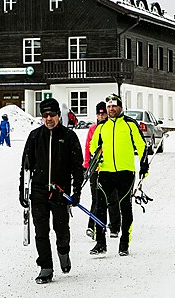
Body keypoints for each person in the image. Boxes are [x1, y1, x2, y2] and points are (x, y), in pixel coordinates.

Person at [19, 98, 84, 284]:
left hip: (60, 192)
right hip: (38, 191)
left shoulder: (69, 137)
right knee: (41, 231)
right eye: (45, 115)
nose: (49, 119)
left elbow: (77, 168)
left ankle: (63, 252)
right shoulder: (34, 136)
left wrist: (76, 192)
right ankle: (45, 267)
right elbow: (25, 167)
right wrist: (22, 192)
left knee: (61, 230)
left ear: (58, 115)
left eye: (52, 115)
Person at [89, 93, 147, 256]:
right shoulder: (102, 126)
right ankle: (100, 243)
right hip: (105, 171)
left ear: (120, 107)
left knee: (125, 207)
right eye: (108, 106)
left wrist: (144, 165)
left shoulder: (130, 124)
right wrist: (96, 155)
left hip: (125, 172)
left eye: (114, 106)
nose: (111, 109)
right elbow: (93, 147)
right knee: (100, 206)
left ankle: (124, 243)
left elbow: (141, 145)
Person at [83, 101, 121, 239]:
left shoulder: (112, 128)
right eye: (98, 114)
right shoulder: (93, 129)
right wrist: (86, 165)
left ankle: (114, 226)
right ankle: (91, 226)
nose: (101, 116)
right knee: (96, 199)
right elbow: (88, 147)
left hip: (111, 168)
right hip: (95, 168)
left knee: (112, 197)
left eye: (103, 113)